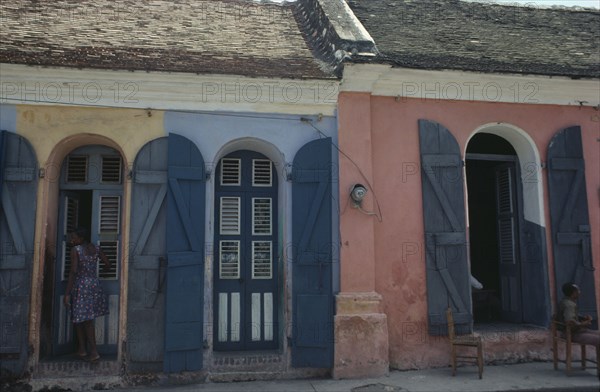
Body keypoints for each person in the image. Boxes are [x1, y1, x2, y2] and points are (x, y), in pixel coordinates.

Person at [63, 227, 111, 361]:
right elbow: (107, 264)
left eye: (74, 237)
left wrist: (67, 293)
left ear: (81, 239)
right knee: (79, 317)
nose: (72, 240)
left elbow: (73, 271)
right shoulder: (96, 248)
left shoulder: (76, 250)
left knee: (85, 320)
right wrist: (97, 274)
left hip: (81, 286)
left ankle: (94, 352)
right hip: (94, 285)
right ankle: (82, 349)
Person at [556, 282, 599, 347]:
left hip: (577, 331)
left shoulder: (565, 301)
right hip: (571, 334)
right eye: (578, 290)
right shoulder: (569, 305)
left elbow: (569, 316)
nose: (579, 292)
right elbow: (570, 323)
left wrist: (583, 318)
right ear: (574, 293)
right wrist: (584, 324)